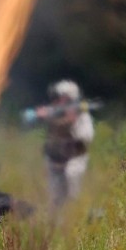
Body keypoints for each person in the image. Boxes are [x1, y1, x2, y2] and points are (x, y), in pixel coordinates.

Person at [36, 80, 95, 210]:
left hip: (74, 159)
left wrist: (72, 123)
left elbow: (86, 137)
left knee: (72, 192)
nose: (60, 101)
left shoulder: (81, 116)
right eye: (58, 98)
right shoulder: (52, 113)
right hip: (54, 160)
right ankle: (56, 222)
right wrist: (42, 116)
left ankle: (74, 214)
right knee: (54, 198)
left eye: (65, 99)